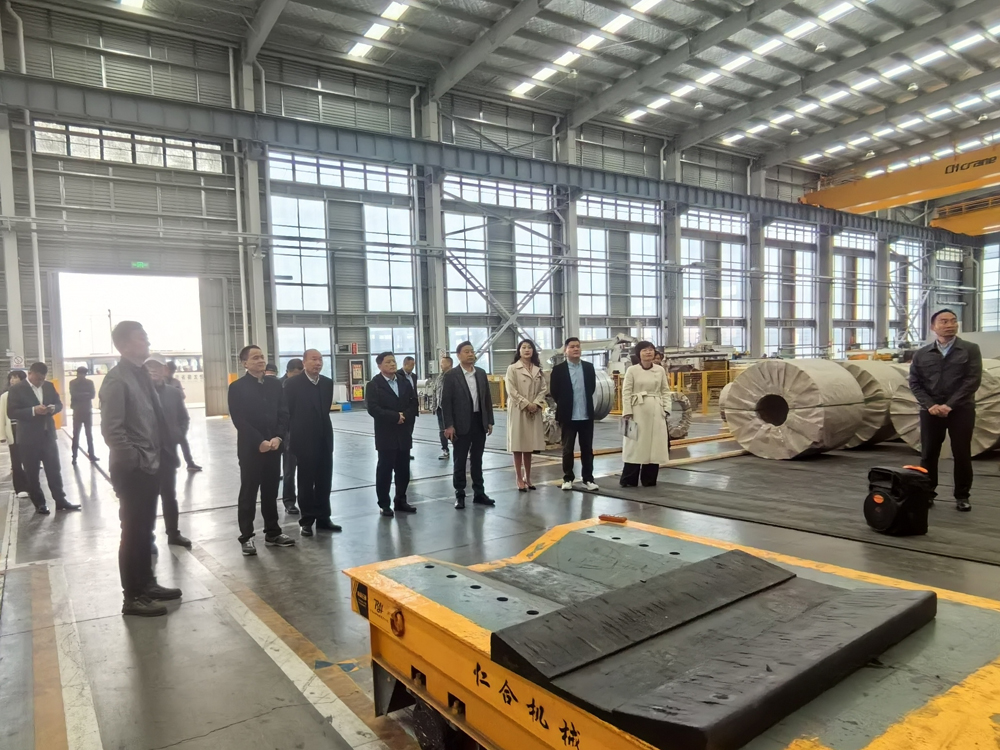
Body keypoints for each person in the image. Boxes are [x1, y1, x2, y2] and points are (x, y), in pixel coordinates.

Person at [101, 321, 181, 617]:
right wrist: (135, 460)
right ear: (124, 345)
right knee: (133, 533)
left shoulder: (140, 374)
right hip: (134, 469)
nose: (146, 341)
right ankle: (132, 597)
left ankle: (146, 584)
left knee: (145, 530)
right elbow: (112, 430)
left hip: (152, 464)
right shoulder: (116, 380)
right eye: (140, 337)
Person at [909, 308, 982, 512]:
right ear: (933, 327)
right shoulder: (922, 354)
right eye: (944, 321)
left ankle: (962, 496)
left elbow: (972, 380)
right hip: (931, 411)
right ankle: (928, 493)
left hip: (961, 410)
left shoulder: (970, 349)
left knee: (962, 453)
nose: (950, 325)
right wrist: (930, 405)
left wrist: (950, 405)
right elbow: (915, 382)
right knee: (928, 454)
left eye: (953, 321)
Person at [228, 345, 296, 555]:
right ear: (244, 363)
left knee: (270, 491)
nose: (260, 360)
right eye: (255, 357)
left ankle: (273, 532)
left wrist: (278, 437)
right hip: (251, 449)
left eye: (262, 357)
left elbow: (283, 413)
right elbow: (239, 419)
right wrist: (259, 441)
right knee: (248, 492)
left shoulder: (275, 385)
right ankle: (246, 536)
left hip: (274, 447)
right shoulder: (237, 387)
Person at [6, 362, 79, 514]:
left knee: (54, 470)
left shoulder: (48, 386)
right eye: (38, 378)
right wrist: (33, 410)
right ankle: (39, 503)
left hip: (48, 436)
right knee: (32, 473)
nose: (41, 382)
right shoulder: (17, 389)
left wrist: (53, 408)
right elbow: (12, 412)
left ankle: (60, 501)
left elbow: (59, 404)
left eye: (43, 379)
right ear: (30, 374)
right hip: (28, 439)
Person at [284, 349, 340, 535]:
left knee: (324, 480)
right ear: (304, 362)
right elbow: (288, 412)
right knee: (306, 482)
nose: (318, 363)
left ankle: (324, 518)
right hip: (303, 440)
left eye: (320, 359)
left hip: (324, 439)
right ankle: (307, 520)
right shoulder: (292, 384)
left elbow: (325, 411)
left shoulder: (327, 383)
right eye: (314, 359)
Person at [145, 359, 192, 549]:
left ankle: (173, 533)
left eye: (157, 367)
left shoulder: (173, 393)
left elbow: (183, 418)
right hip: (145, 455)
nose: (153, 371)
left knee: (169, 496)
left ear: (164, 370)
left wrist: (177, 435)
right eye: (149, 367)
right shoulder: (139, 393)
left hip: (168, 453)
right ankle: (147, 539)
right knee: (148, 499)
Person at [441, 341, 495, 510]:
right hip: (460, 424)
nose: (471, 354)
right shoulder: (451, 375)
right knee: (460, 460)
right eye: (466, 351)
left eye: (472, 351)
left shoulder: (481, 373)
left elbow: (487, 399)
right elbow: (446, 402)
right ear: (458, 355)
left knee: (477, 459)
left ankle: (479, 493)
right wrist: (449, 425)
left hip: (479, 421)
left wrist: (489, 420)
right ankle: (460, 494)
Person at [367, 352, 419, 517]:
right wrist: (395, 416)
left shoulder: (404, 381)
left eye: (393, 361)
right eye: (388, 362)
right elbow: (373, 408)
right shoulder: (374, 384)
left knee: (403, 470)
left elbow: (413, 402)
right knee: (385, 470)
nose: (392, 364)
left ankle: (401, 500)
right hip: (386, 433)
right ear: (379, 365)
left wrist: (405, 416)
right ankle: (384, 503)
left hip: (404, 431)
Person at [549, 337, 599, 492]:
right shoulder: (558, 370)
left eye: (578, 346)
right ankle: (568, 478)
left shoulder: (589, 368)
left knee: (587, 449)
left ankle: (588, 479)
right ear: (566, 350)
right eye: (572, 347)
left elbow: (591, 388)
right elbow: (554, 392)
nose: (576, 349)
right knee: (567, 449)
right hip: (568, 416)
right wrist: (565, 404)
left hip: (586, 415)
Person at [620, 341, 671, 487]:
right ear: (639, 354)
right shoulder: (632, 370)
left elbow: (665, 390)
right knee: (635, 444)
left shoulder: (660, 370)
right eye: (644, 350)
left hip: (656, 410)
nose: (648, 352)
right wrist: (627, 411)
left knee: (654, 444)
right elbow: (626, 392)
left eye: (651, 349)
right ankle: (629, 479)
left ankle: (649, 479)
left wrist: (666, 409)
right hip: (637, 410)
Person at [504, 340, 547, 492]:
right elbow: (511, 390)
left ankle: (528, 477)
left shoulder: (537, 370)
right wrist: (526, 403)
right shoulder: (512, 369)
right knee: (518, 445)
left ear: (533, 351)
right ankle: (518, 478)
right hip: (518, 409)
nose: (527, 350)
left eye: (529, 347)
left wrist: (535, 403)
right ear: (519, 351)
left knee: (529, 445)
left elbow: (543, 389)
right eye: (523, 347)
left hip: (533, 411)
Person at [164, 361, 202, 472]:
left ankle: (190, 463)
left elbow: (182, 396)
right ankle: (170, 465)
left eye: (172, 371)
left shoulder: (176, 382)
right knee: (168, 444)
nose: (171, 373)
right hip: (165, 417)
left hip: (177, 415)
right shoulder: (159, 383)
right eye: (169, 370)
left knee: (182, 440)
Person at [280, 358, 304, 514]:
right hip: (287, 433)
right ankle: (289, 501)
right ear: (288, 372)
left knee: (306, 469)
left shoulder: (304, 384)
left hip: (304, 431)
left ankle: (305, 499)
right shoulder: (279, 385)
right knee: (289, 470)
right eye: (295, 374)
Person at [1, 370, 29, 498]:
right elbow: (1, 416)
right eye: (11, 378)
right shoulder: (5, 396)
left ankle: (31, 486)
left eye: (15, 377)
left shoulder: (28, 393)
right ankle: (20, 488)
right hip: (12, 429)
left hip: (27, 429)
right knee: (16, 460)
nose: (12, 380)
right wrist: (2, 435)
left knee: (29, 459)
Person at [69, 366, 98, 465]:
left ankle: (91, 454)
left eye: (83, 374)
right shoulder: (73, 383)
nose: (81, 376)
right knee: (77, 434)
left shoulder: (88, 383)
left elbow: (92, 395)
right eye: (80, 373)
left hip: (84, 411)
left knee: (88, 434)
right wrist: (86, 395)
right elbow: (74, 394)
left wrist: (81, 395)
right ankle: (74, 456)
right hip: (80, 411)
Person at [434, 355, 453, 460]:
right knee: (442, 431)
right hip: (440, 408)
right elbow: (435, 391)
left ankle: (464, 449)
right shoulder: (439, 377)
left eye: (443, 362)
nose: (441, 365)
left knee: (454, 430)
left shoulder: (455, 377)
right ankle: (445, 450)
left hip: (451, 409)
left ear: (449, 364)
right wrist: (434, 406)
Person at [401, 356, 418, 460]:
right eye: (411, 365)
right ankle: (402, 452)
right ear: (405, 364)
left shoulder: (414, 376)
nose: (412, 367)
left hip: (412, 408)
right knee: (403, 431)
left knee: (410, 431)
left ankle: (408, 451)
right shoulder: (398, 375)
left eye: (413, 365)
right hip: (403, 408)